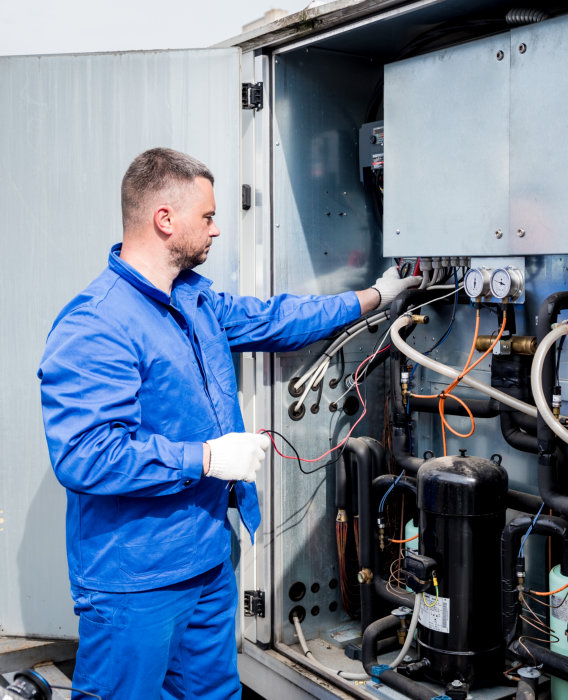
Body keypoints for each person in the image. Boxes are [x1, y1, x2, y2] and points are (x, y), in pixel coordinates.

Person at [38, 148, 420, 700]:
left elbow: (277, 318)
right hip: (137, 578)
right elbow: (85, 454)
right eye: (208, 217)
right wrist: (207, 459)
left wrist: (376, 297)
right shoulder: (97, 324)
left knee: (213, 693)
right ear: (164, 220)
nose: (217, 231)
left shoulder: (194, 300)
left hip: (209, 557)